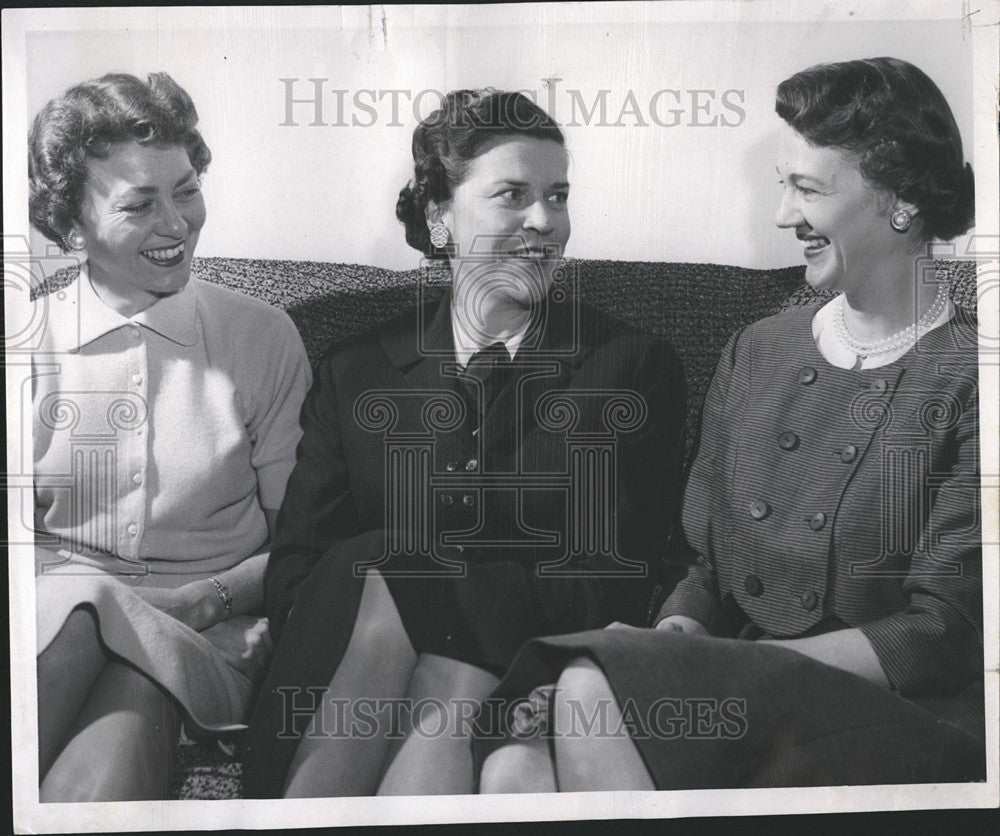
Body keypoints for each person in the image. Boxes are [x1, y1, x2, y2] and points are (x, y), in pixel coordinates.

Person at [476, 57, 984, 792]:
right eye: (783, 185)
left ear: (900, 197)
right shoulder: (760, 349)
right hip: (745, 692)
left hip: (902, 714)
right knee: (514, 762)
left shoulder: (976, 375)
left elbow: (941, 636)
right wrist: (678, 636)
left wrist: (707, 669)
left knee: (588, 692)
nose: (783, 215)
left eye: (806, 188)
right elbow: (704, 565)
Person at [242, 89, 687, 797]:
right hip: (361, 658)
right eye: (513, 195)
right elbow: (301, 567)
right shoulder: (357, 369)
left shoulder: (629, 367)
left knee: (404, 598)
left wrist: (440, 589)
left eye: (558, 196)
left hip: (526, 661)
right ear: (440, 217)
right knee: (394, 609)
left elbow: (618, 575)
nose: (545, 222)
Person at [30, 72, 311, 801]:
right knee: (86, 628)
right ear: (70, 225)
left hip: (205, 638)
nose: (178, 223)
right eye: (139, 203)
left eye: (186, 189)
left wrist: (209, 601)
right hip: (50, 634)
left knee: (133, 668)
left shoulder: (261, 337)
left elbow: (305, 543)